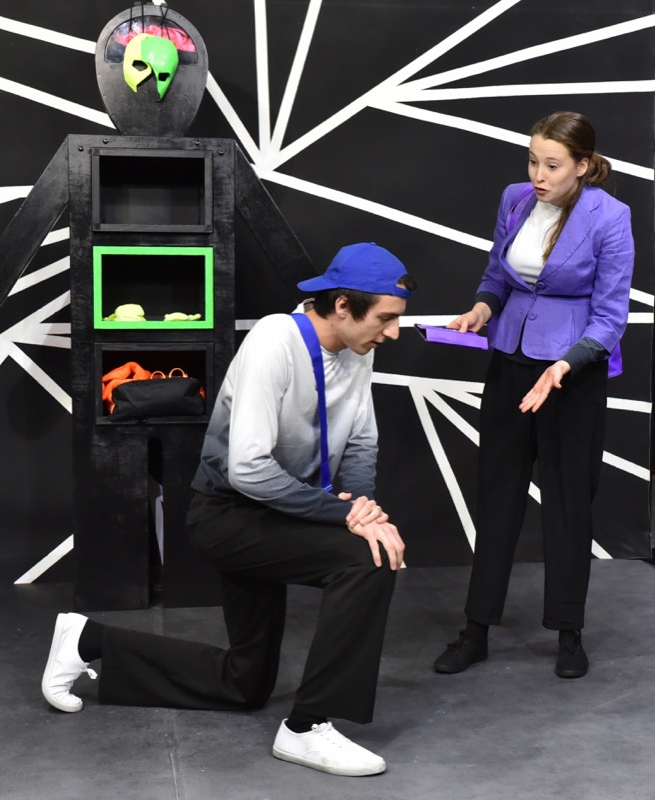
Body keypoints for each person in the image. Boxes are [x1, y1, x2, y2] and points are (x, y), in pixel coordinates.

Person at [42, 242, 417, 776]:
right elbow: (248, 470)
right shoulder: (274, 341)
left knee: (245, 683)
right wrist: (346, 518)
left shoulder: (359, 348)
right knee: (368, 560)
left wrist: (362, 509)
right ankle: (306, 727)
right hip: (228, 516)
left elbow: (361, 441)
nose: (393, 332)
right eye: (386, 318)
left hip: (282, 513)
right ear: (342, 306)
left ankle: (86, 640)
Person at [433, 111, 634, 680]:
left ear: (583, 165)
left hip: (572, 374)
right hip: (511, 363)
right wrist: (481, 309)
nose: (538, 175)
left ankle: (569, 634)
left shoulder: (610, 217)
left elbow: (610, 316)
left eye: (552, 165)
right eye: (532, 161)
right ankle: (476, 630)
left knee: (568, 503)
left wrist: (565, 366)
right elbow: (497, 275)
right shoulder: (515, 199)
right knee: (497, 495)